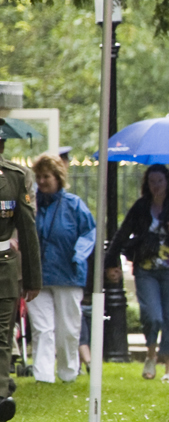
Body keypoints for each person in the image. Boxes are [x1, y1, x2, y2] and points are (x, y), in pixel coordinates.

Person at [106, 165, 169, 383]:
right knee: (152, 315)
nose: (156, 186)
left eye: (160, 181)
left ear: (168, 183)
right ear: (146, 184)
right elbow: (122, 234)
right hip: (146, 270)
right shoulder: (141, 207)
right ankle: (150, 354)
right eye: (152, 181)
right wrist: (110, 261)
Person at [29, 154, 95, 384]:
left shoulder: (74, 204)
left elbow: (89, 232)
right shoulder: (31, 203)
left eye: (46, 176)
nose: (42, 181)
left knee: (68, 328)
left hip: (68, 274)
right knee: (42, 328)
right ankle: (43, 375)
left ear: (58, 177)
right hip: (37, 276)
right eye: (38, 177)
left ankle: (68, 371)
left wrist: (78, 254)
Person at [0, 133, 40, 422]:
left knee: (2, 336)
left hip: (3, 267)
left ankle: (0, 398)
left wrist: (32, 278)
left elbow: (27, 229)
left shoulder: (15, 177)